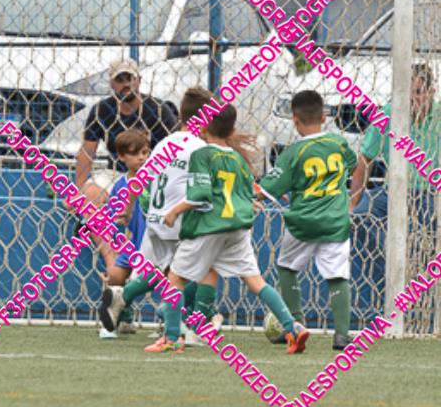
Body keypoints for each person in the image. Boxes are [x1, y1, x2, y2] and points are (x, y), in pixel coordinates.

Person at [155, 105, 306, 355]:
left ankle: (171, 338)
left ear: (202, 128)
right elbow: (247, 191)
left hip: (209, 227)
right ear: (233, 130)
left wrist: (175, 211)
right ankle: (292, 328)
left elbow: (200, 194)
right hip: (238, 228)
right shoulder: (237, 159)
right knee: (256, 281)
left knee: (176, 278)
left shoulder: (202, 155)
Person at [99, 86, 222, 347]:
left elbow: (140, 179)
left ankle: (122, 298)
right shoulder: (200, 149)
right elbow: (208, 188)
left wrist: (128, 207)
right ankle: (191, 327)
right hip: (178, 222)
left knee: (156, 274)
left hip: (155, 221)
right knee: (203, 270)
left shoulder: (165, 143)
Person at [258, 90, 357, 350]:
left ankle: (295, 325)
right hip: (335, 221)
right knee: (337, 275)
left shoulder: (292, 153)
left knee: (287, 267)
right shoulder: (338, 143)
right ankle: (342, 335)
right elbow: (353, 163)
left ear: (294, 119)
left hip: (303, 222)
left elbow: (267, 190)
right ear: (324, 117)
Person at [349, 62, 440, 297]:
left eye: (418, 92)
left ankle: (423, 281)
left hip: (431, 193)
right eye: (405, 93)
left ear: (431, 92)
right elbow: (364, 160)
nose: (411, 100)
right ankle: (394, 276)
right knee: (360, 217)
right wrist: (353, 202)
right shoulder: (389, 114)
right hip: (393, 193)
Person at [75, 57, 178, 206]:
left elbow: (173, 151)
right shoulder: (101, 110)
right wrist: (78, 191)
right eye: (120, 80)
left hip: (150, 172)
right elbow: (87, 152)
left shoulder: (159, 110)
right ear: (111, 84)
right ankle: (96, 222)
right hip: (114, 172)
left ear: (139, 80)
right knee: (89, 194)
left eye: (130, 78)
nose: (126, 84)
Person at [98, 129, 149, 339]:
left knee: (169, 283)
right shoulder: (120, 185)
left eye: (145, 152)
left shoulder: (155, 179)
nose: (141, 158)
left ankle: (175, 323)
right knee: (116, 276)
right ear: (121, 157)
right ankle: (118, 319)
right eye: (135, 153)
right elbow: (112, 217)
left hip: (156, 244)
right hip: (134, 243)